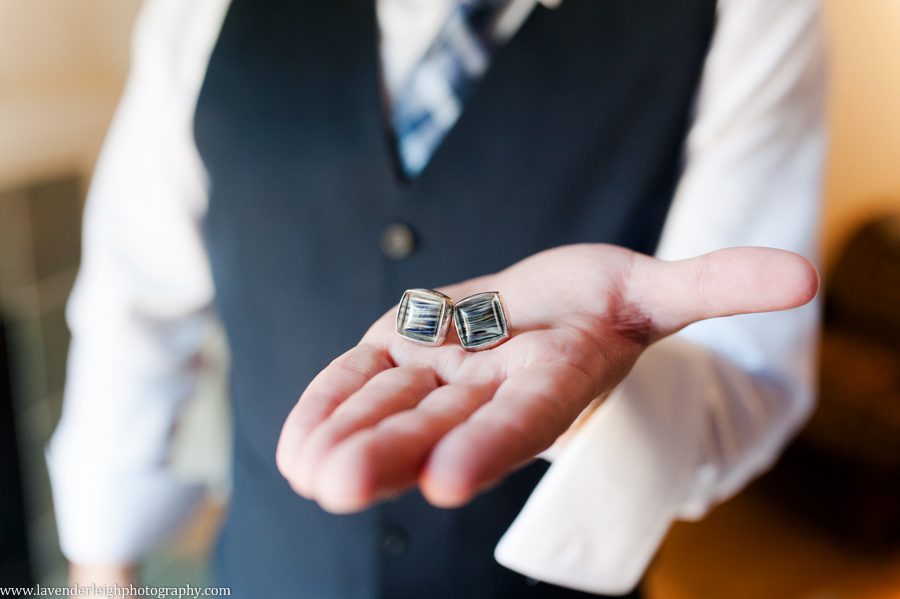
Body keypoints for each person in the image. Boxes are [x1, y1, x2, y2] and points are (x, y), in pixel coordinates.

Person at [47, 0, 827, 596]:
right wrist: (100, 560)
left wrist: (605, 387)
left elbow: (745, 372)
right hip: (271, 566)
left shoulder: (751, 14)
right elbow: (134, 296)